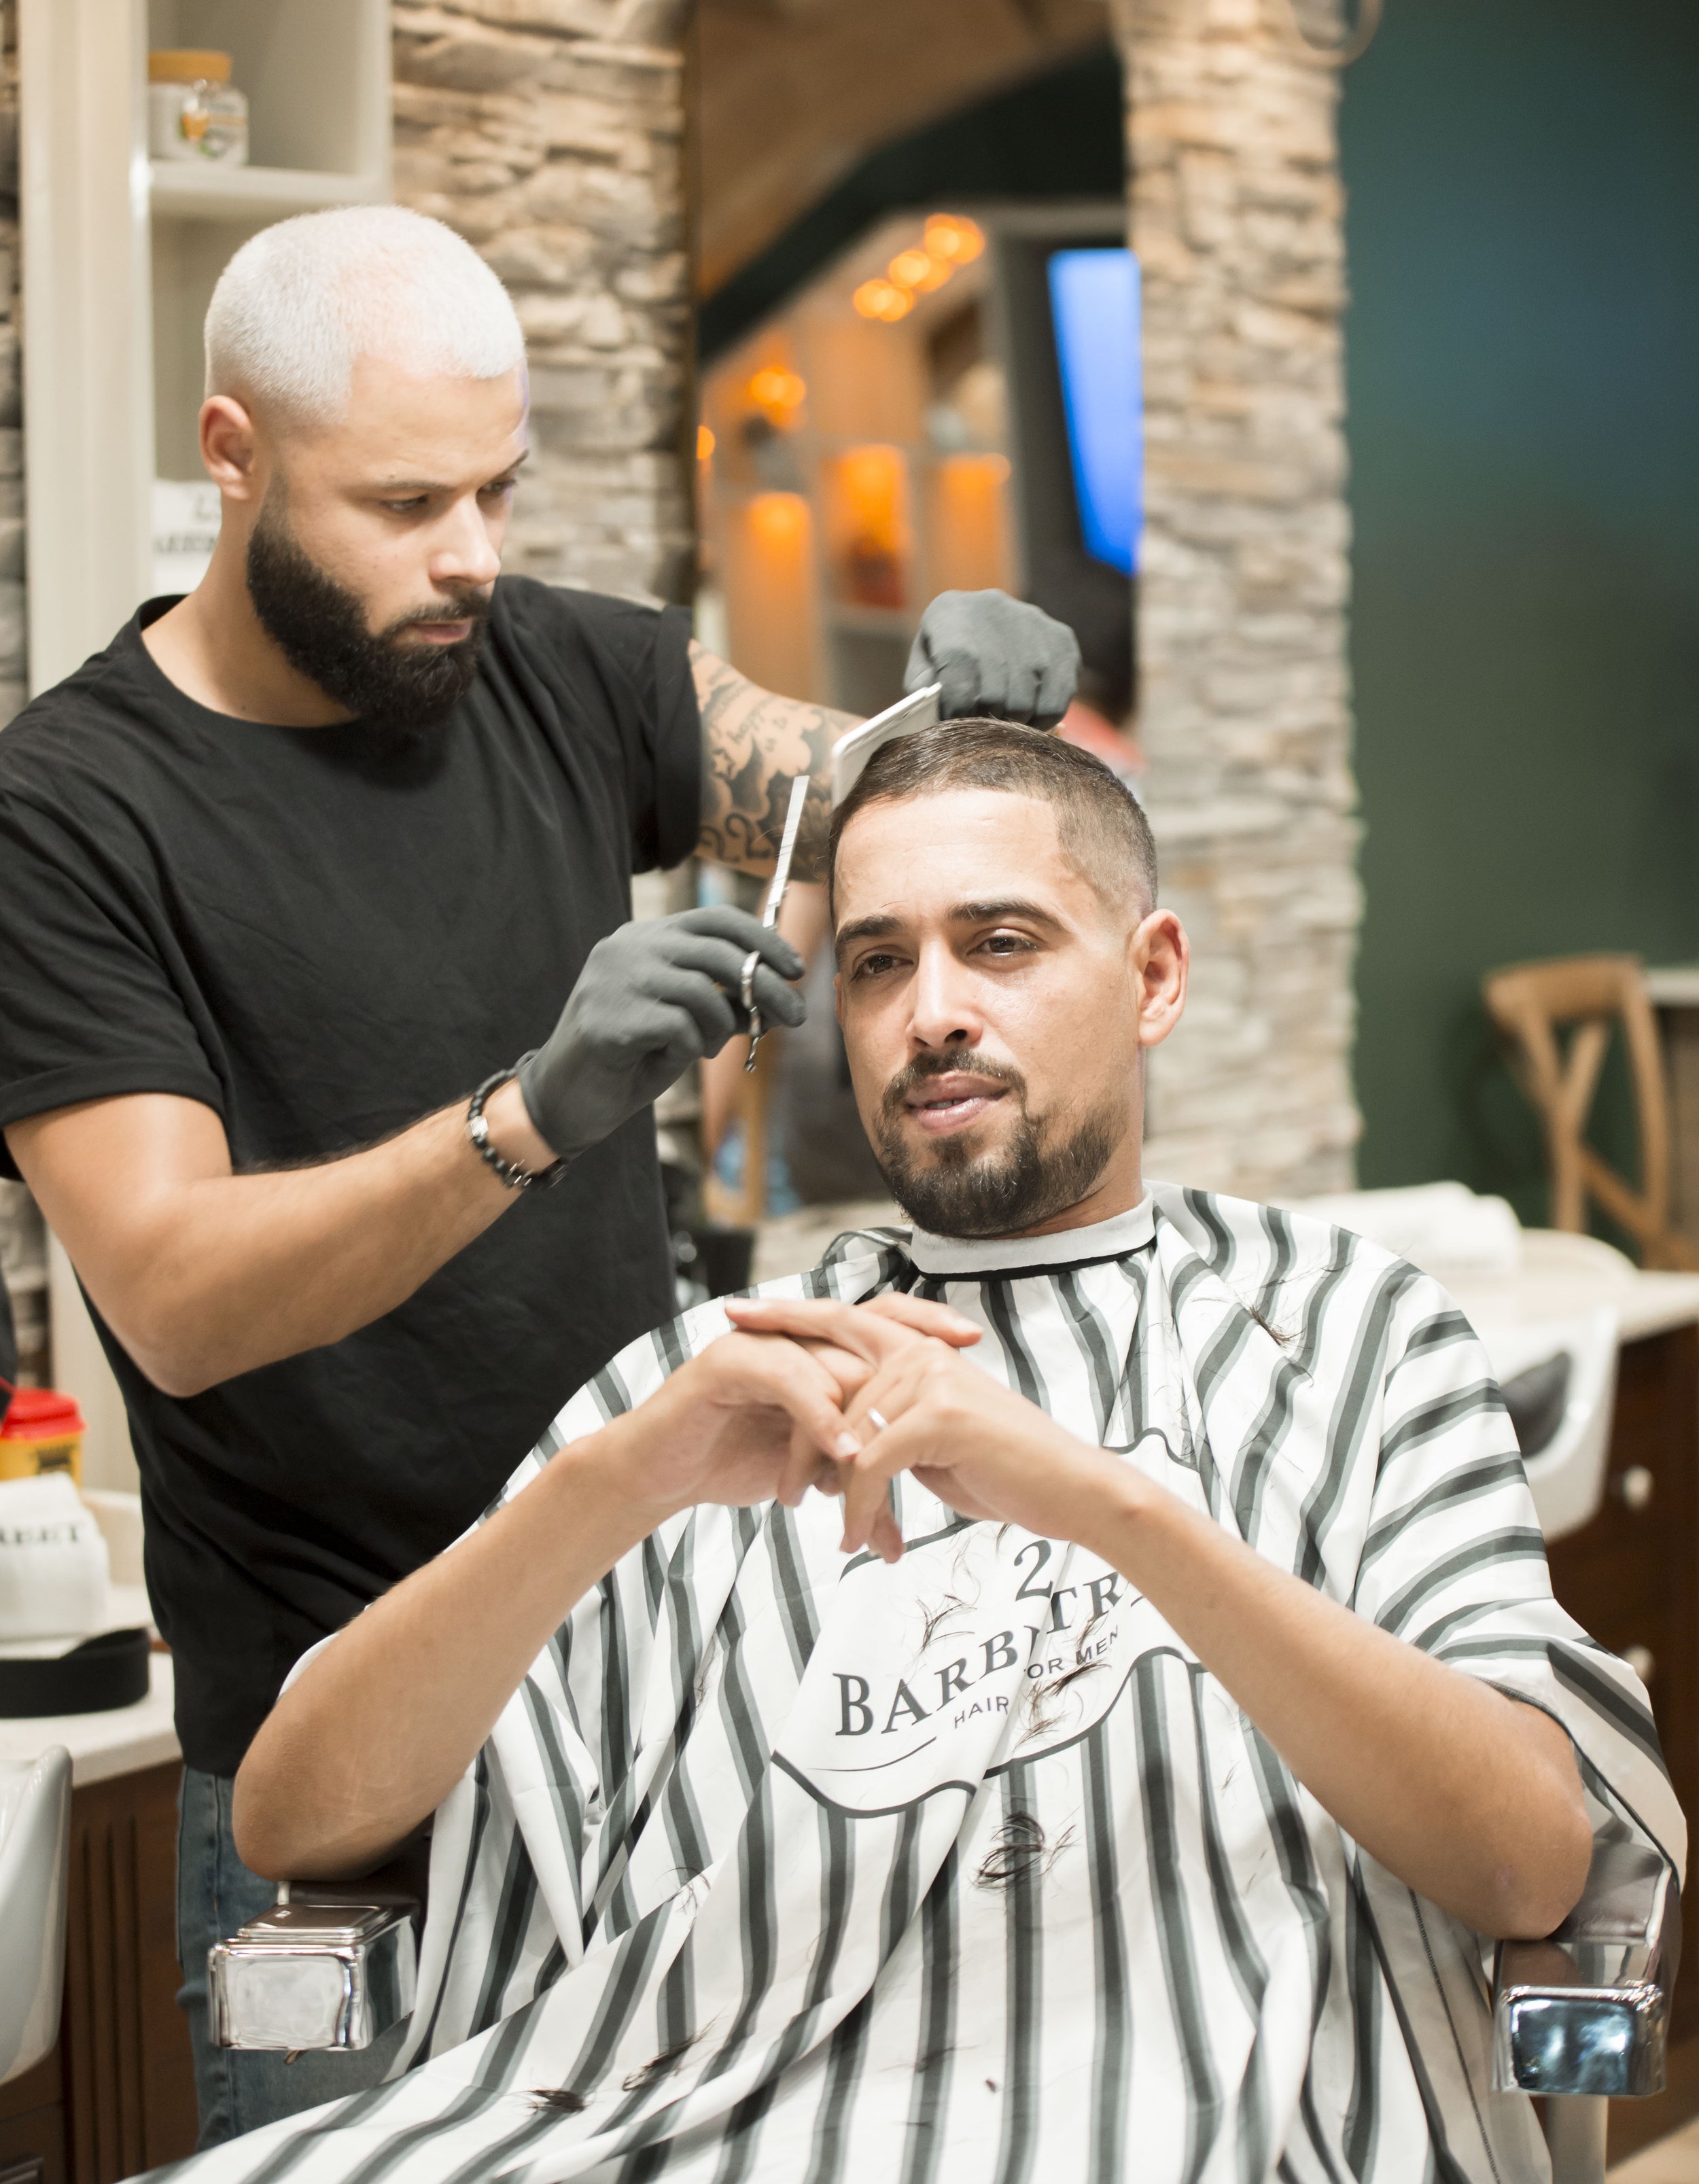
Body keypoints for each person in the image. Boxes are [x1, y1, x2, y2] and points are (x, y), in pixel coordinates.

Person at [164, 722, 1679, 2184]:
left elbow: (1527, 1862)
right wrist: (609, 1481)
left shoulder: (1347, 1333)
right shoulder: (711, 1381)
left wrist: (1108, 1504)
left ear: (1151, 978)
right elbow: (291, 1819)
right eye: (878, 960)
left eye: (1000, 942)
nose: (928, 1009)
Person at [0, 206, 1080, 2143]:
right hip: (339, 1819)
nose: (472, 555)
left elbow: (841, 785)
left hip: (661, 1727)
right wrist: (528, 1112)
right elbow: (165, 1287)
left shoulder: (564, 668)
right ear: (230, 452)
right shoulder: (70, 817)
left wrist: (954, 729)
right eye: (405, 501)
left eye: (498, 487)